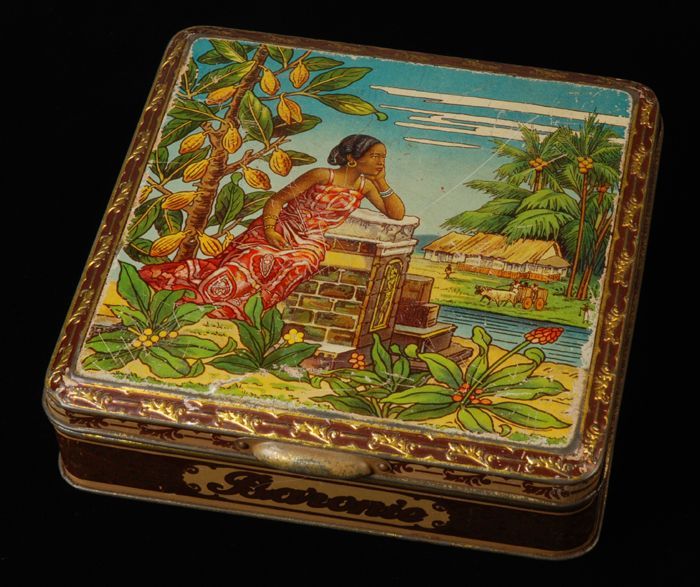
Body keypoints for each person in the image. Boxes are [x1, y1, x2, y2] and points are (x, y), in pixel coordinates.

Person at [138, 134, 406, 321]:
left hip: (310, 240)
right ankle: (208, 296)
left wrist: (382, 182)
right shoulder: (322, 175)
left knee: (300, 263)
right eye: (375, 156)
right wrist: (270, 231)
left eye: (383, 157)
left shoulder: (365, 186)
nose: (381, 162)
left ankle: (240, 310)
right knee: (254, 257)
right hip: (280, 226)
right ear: (352, 158)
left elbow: (396, 214)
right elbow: (276, 201)